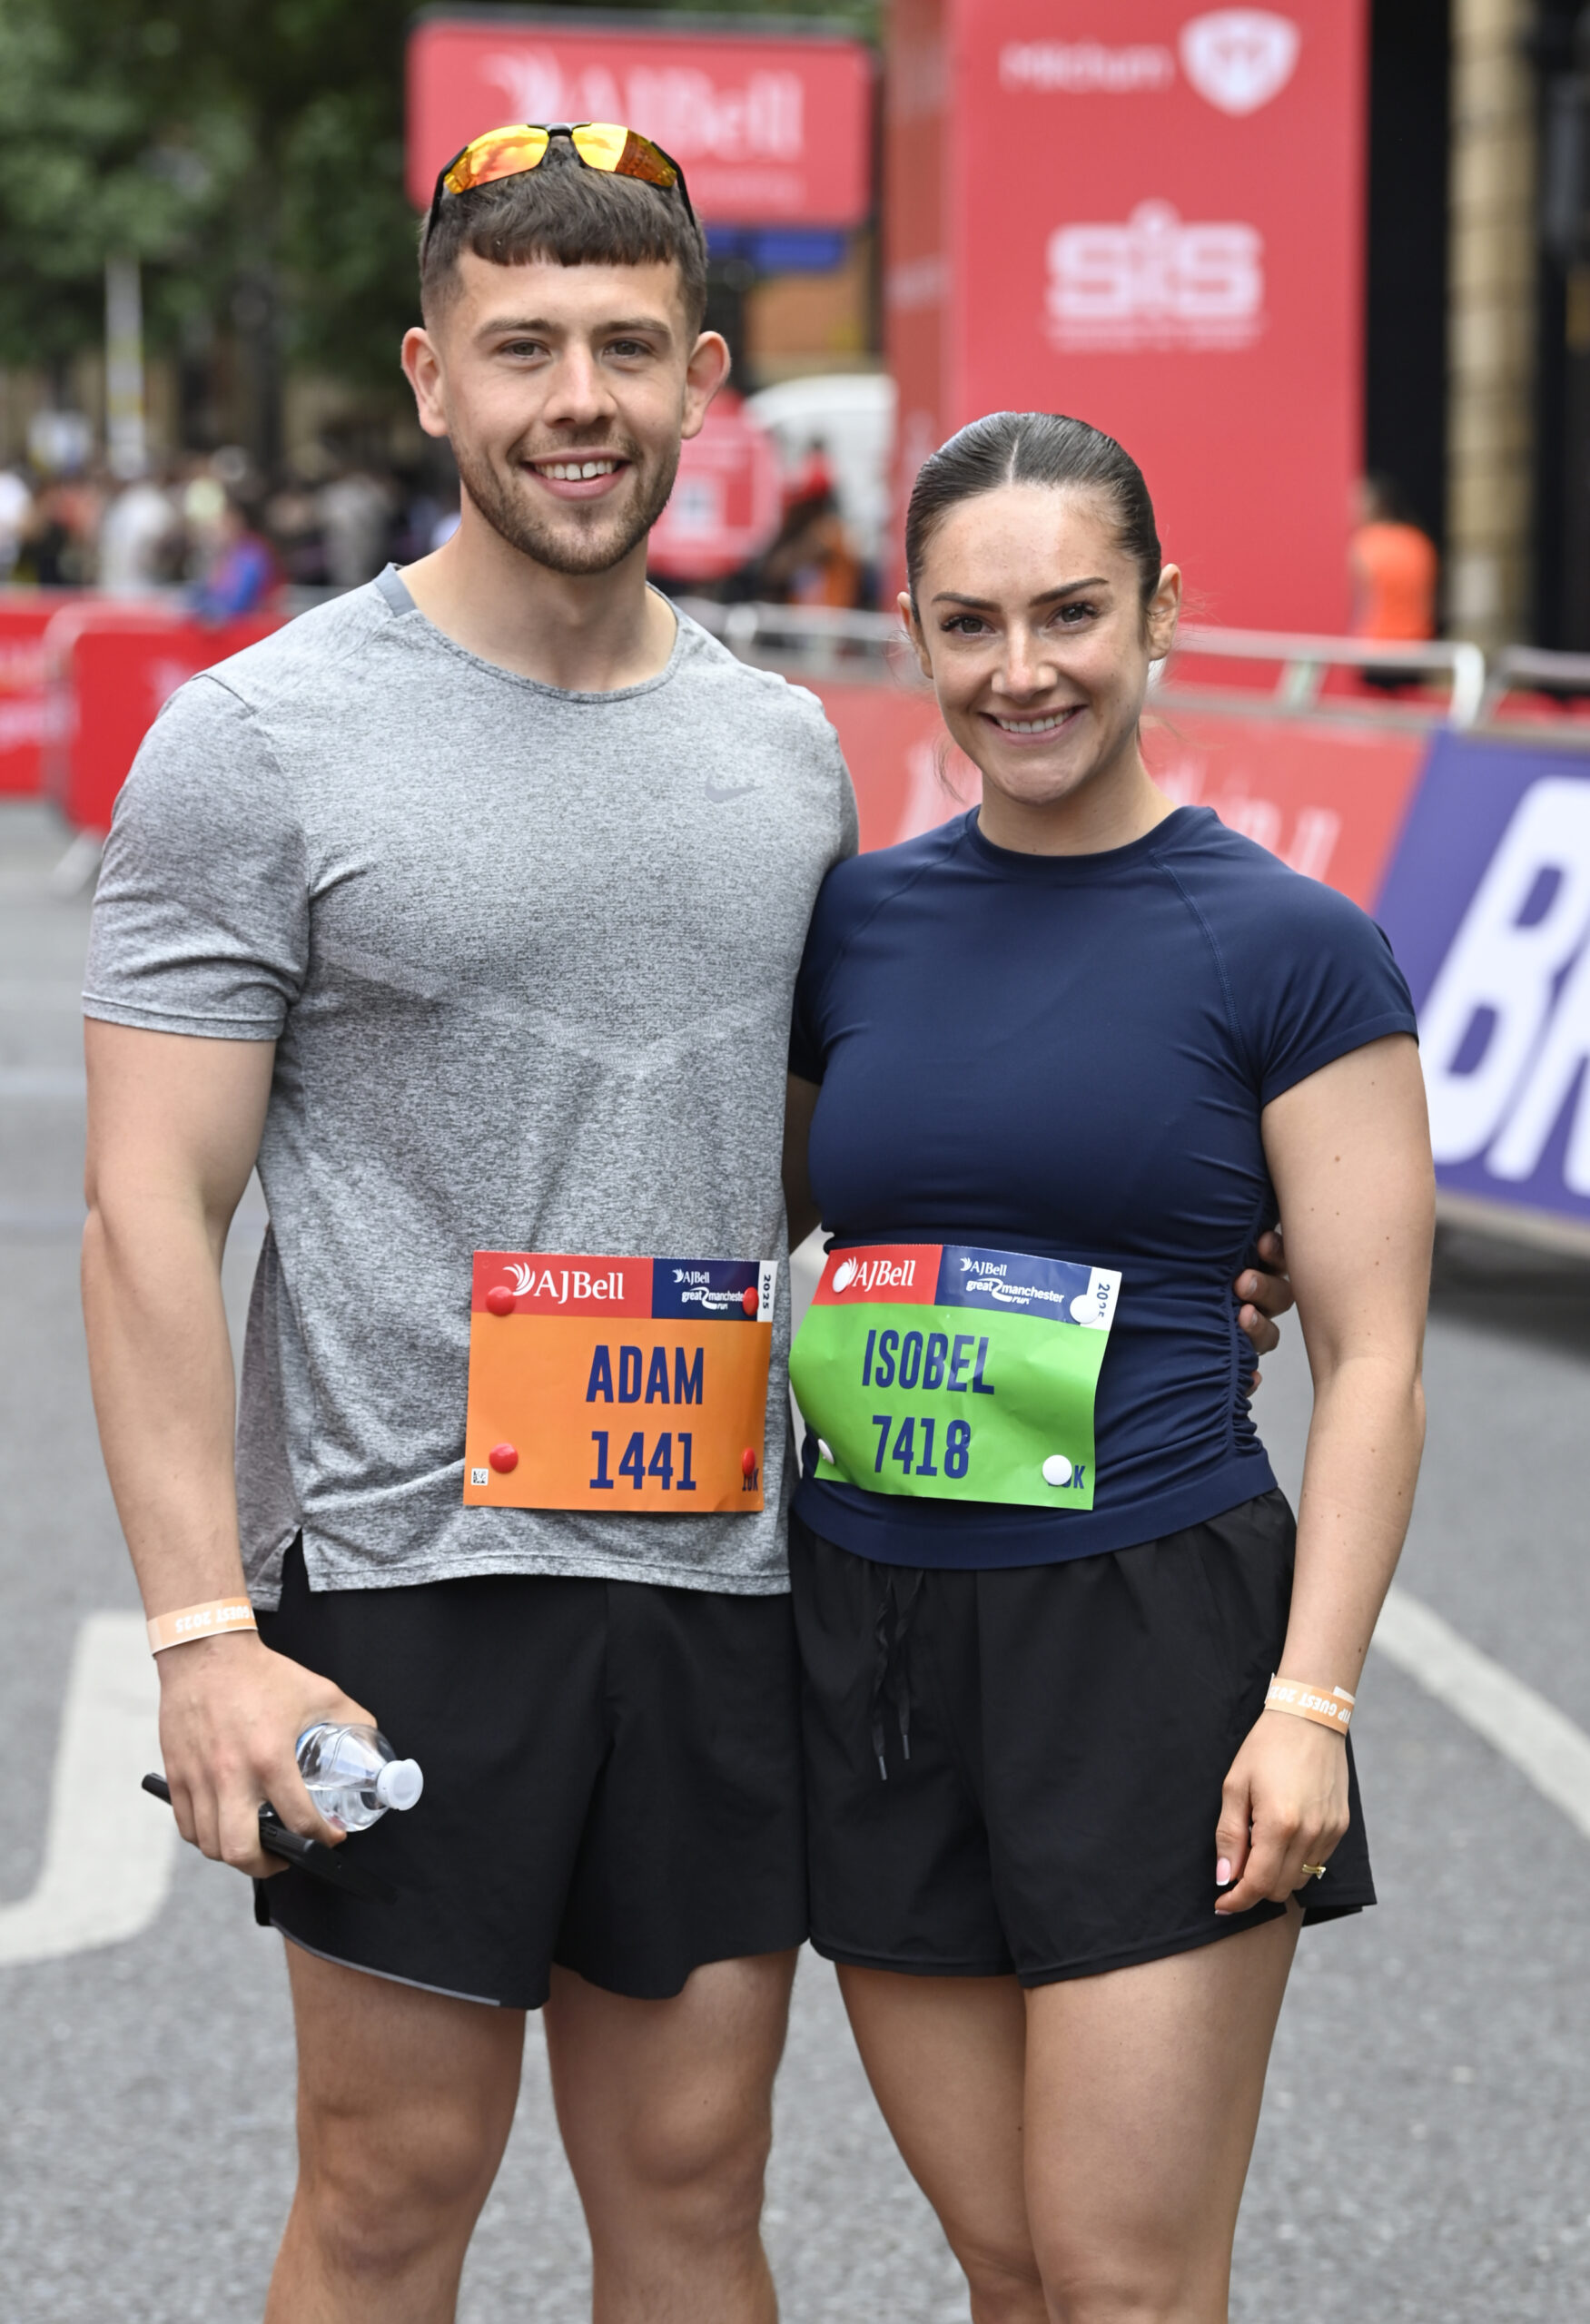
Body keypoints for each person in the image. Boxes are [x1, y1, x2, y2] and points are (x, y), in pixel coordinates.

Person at [80, 133, 1290, 2324]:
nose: (580, 395)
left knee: (694, 2177)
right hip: (411, 1572)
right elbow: (147, 1203)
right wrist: (197, 1629)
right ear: (431, 376)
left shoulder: (782, 749)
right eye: (524, 344)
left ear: (702, 376)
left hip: (727, 1571)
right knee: (388, 2186)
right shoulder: (252, 742)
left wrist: (1134, 1246)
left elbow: (816, 1157)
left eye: (628, 347)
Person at [782, 412, 1433, 2324]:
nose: (1021, 669)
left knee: (1123, 2280)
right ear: (907, 630)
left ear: (1160, 609)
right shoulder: (854, 921)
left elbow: (1374, 1350)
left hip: (1150, 1638)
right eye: (968, 621)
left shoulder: (1289, 946)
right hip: (874, 1633)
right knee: (1005, 2263)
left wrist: (1305, 1699)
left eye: (1071, 610)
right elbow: (790, 1220)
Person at [1349, 474, 1438, 691]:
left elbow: (1363, 602)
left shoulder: (1365, 544)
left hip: (1376, 649)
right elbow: (1430, 602)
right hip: (1416, 648)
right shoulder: (1418, 541)